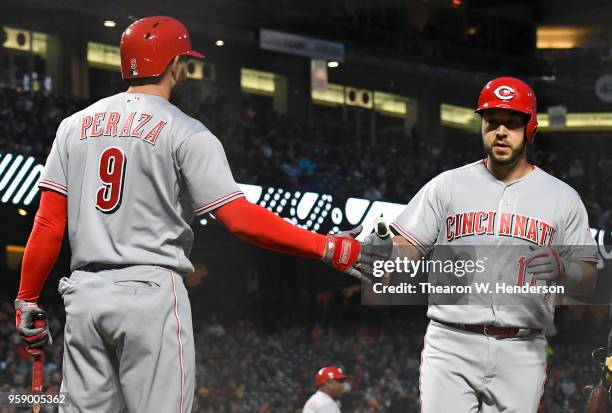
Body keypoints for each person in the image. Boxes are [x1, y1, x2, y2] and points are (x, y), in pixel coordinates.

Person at [13, 16, 372, 413]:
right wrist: (324, 246)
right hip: (150, 292)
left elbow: (48, 223)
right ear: (173, 65)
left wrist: (26, 298)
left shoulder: (72, 127)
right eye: (183, 60)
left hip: (83, 296)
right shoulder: (186, 131)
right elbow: (239, 218)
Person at [376, 77, 598, 412]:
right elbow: (407, 246)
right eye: (492, 122)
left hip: (523, 347)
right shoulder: (447, 185)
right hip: (451, 340)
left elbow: (590, 279)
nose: (501, 131)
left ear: (530, 129)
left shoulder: (563, 198)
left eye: (512, 123)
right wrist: (383, 248)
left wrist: (565, 270)